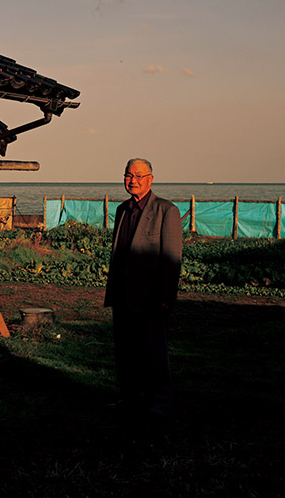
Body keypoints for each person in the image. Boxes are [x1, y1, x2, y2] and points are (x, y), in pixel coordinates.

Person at [104, 157, 183, 423]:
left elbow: (172, 257)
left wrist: (166, 296)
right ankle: (130, 398)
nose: (133, 180)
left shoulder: (166, 210)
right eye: (129, 175)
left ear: (150, 178)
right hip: (123, 295)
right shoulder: (121, 210)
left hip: (151, 297)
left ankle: (159, 403)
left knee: (154, 351)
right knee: (126, 352)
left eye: (139, 176)